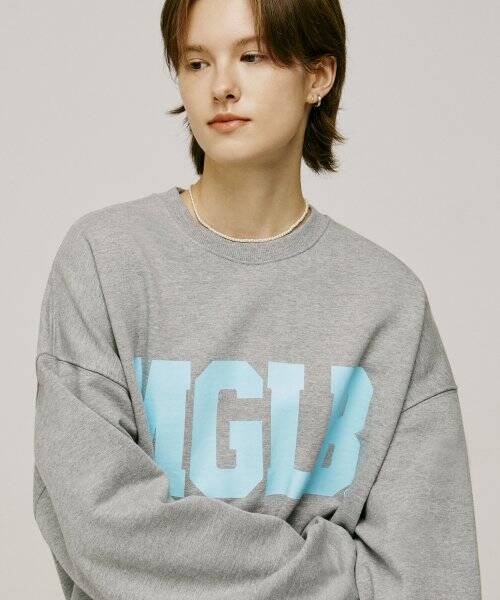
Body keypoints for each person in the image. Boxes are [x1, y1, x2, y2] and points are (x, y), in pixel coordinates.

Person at [32, 0, 482, 598]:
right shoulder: (105, 261)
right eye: (197, 63)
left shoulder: (387, 302)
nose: (221, 86)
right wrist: (344, 576)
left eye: (252, 57)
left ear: (318, 76)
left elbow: (431, 577)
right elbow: (97, 525)